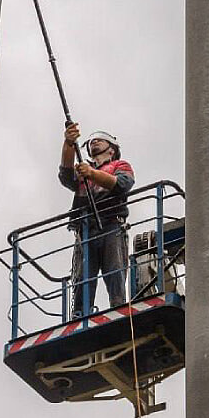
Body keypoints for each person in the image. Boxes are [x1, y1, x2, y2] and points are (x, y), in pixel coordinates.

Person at [58, 122, 135, 318]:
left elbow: (122, 185)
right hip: (86, 228)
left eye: (100, 140)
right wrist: (68, 143)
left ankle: (118, 307)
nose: (94, 142)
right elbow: (66, 175)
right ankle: (80, 313)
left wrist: (92, 174)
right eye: (92, 141)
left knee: (115, 270)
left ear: (112, 149)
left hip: (111, 224)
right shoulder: (84, 170)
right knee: (83, 276)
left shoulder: (119, 165)